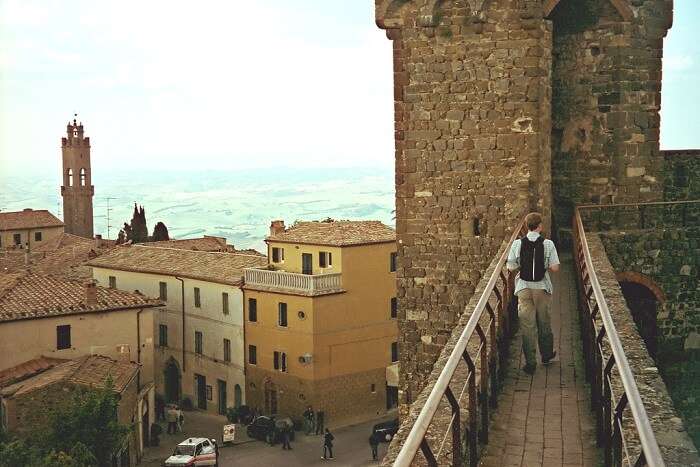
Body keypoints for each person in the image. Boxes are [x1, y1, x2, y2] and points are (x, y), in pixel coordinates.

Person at [507, 212, 560, 375]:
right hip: (541, 287)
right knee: (544, 321)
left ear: (526, 226)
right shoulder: (548, 244)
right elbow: (555, 268)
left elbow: (510, 266)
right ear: (540, 226)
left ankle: (530, 362)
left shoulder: (517, 243)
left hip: (523, 288)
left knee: (527, 326)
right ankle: (546, 355)